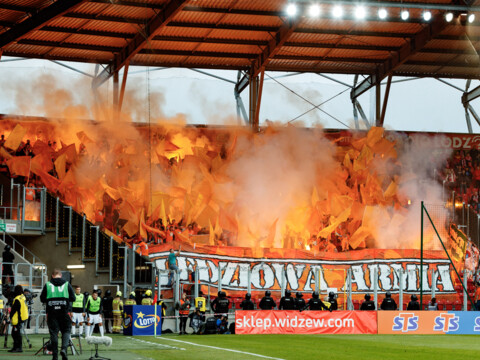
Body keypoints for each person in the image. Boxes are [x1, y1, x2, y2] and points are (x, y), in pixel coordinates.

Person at [40, 269, 76, 360]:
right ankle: (64, 349)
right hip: (64, 312)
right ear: (61, 275)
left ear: (52, 276)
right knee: (66, 331)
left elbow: (42, 299)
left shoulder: (48, 284)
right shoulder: (67, 284)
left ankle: (55, 355)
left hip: (52, 312)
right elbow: (73, 298)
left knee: (54, 333)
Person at [9, 285, 27, 353]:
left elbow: (13, 310)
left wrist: (10, 317)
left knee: (15, 334)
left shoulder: (17, 299)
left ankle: (18, 348)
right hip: (23, 317)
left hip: (18, 319)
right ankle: (16, 347)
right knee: (16, 333)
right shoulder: (23, 297)